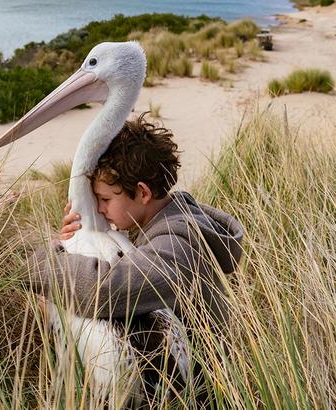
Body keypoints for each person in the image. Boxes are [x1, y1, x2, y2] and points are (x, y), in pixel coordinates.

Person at [28, 114, 244, 405]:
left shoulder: (176, 245)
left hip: (202, 390)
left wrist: (47, 259)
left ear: (142, 192)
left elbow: (102, 290)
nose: (100, 209)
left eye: (105, 200)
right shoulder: (161, 221)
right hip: (175, 373)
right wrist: (75, 239)